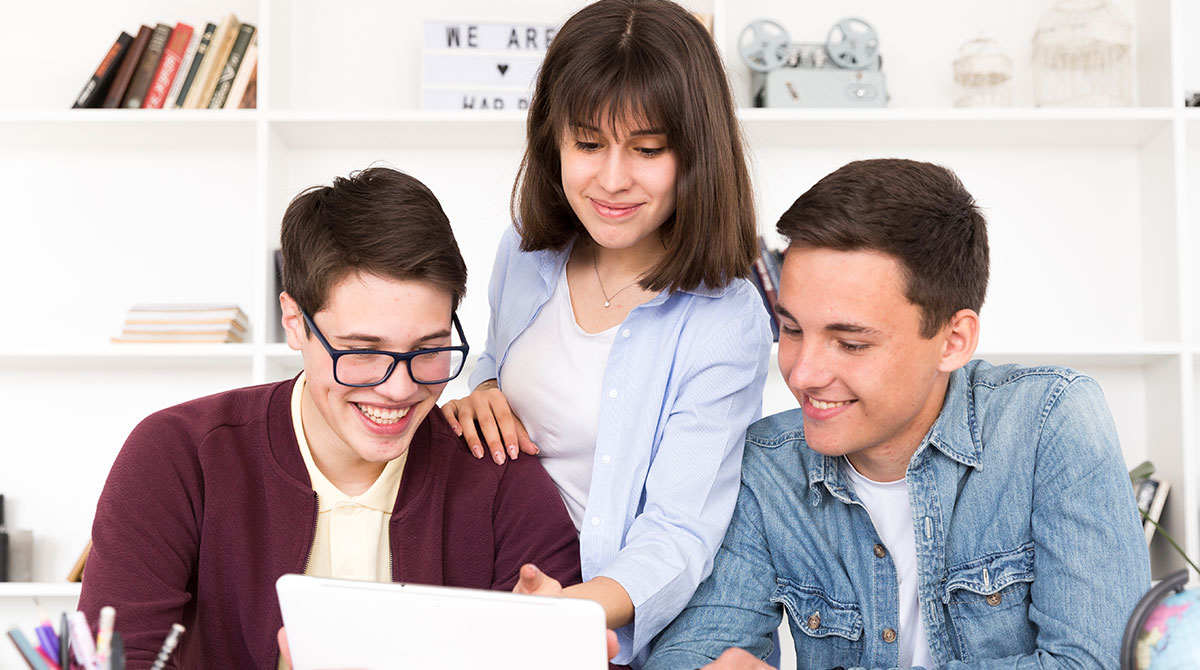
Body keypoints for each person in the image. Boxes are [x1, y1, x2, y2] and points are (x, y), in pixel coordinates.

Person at [646, 159, 1152, 670]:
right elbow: (692, 655)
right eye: (793, 330)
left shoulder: (1051, 423)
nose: (801, 375)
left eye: (850, 343)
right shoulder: (768, 464)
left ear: (953, 341)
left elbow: (1099, 663)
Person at [79, 167, 582, 670]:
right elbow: (117, 660)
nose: (400, 389)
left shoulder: (499, 473)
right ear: (295, 322)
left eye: (429, 350)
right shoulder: (178, 456)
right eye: (362, 352)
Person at [439, 0, 773, 665]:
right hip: (510, 585)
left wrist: (571, 610)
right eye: (587, 144)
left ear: (694, 154)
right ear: (552, 141)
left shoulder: (727, 317)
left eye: (647, 150)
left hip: (619, 615)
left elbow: (679, 530)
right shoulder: (525, 255)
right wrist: (484, 388)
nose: (613, 180)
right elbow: (500, 361)